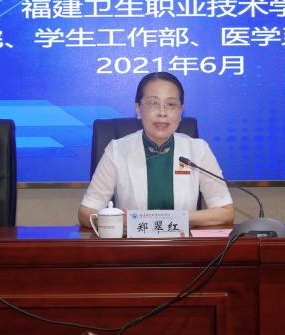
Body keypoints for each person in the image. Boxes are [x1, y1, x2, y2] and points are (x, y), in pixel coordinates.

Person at [79, 72, 235, 228]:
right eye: (153, 103)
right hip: (132, 242)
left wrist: (179, 218)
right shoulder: (117, 150)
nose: (162, 112)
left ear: (180, 111)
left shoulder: (198, 150)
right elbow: (86, 212)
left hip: (184, 242)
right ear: (138, 109)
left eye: (171, 105)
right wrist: (115, 222)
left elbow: (226, 212)